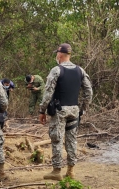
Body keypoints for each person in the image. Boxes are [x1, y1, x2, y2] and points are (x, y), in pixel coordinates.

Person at [39, 43, 93, 181]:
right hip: (74, 110)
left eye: (57, 53)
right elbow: (89, 92)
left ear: (60, 55)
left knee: (56, 138)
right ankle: (70, 171)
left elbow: (48, 92)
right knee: (72, 140)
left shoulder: (56, 70)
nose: (56, 56)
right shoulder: (80, 70)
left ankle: (57, 171)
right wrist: (82, 109)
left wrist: (42, 110)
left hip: (59, 110)